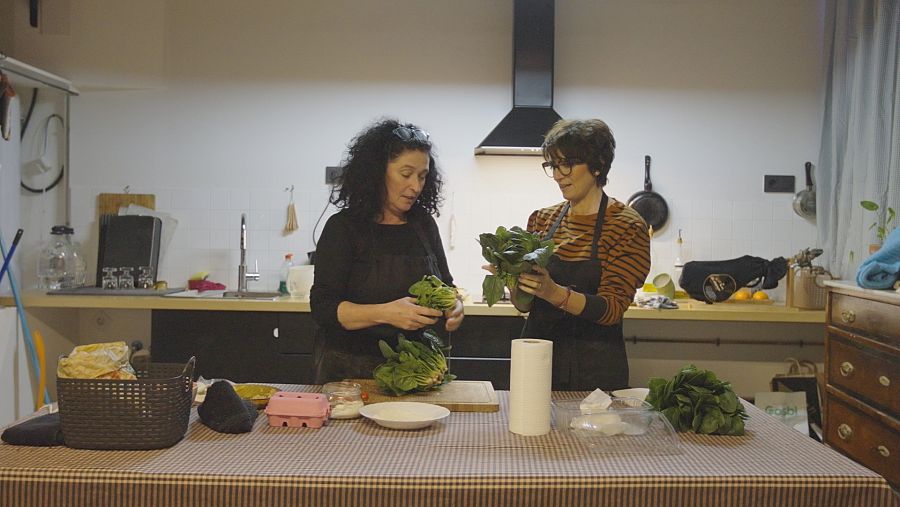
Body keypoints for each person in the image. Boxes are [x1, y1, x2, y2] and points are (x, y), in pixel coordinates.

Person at [310, 118, 464, 383]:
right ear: (377, 171)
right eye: (406, 174)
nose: (416, 186)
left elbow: (447, 286)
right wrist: (386, 313)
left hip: (416, 373)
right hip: (349, 377)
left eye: (422, 176)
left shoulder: (423, 225)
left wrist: (456, 307)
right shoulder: (344, 228)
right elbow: (323, 308)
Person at [512, 119, 651, 391]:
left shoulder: (626, 226)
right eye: (553, 165)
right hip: (538, 365)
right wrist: (514, 280)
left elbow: (611, 309)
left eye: (568, 164)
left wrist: (553, 292)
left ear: (597, 165)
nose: (558, 174)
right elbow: (525, 305)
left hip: (594, 372)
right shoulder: (542, 220)